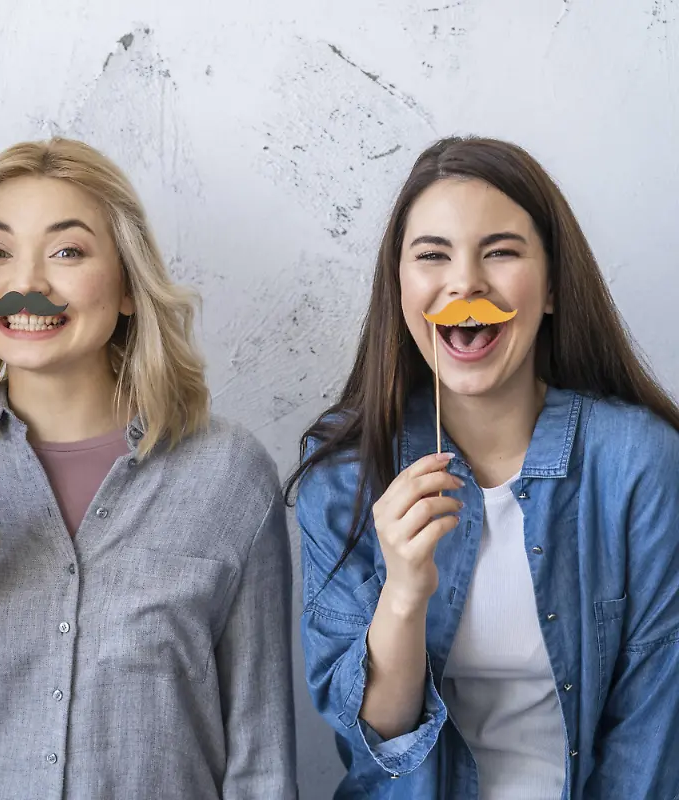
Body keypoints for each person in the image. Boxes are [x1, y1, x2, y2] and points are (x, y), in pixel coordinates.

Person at [0, 138, 298, 799]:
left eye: (67, 251)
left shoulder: (229, 475)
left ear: (126, 288)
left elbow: (260, 757)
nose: (25, 284)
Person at [290, 136, 679, 798]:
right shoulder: (345, 470)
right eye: (432, 256)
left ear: (552, 288)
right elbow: (374, 740)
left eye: (499, 252)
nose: (465, 283)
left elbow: (653, 735)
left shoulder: (638, 462)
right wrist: (405, 591)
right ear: (400, 289)